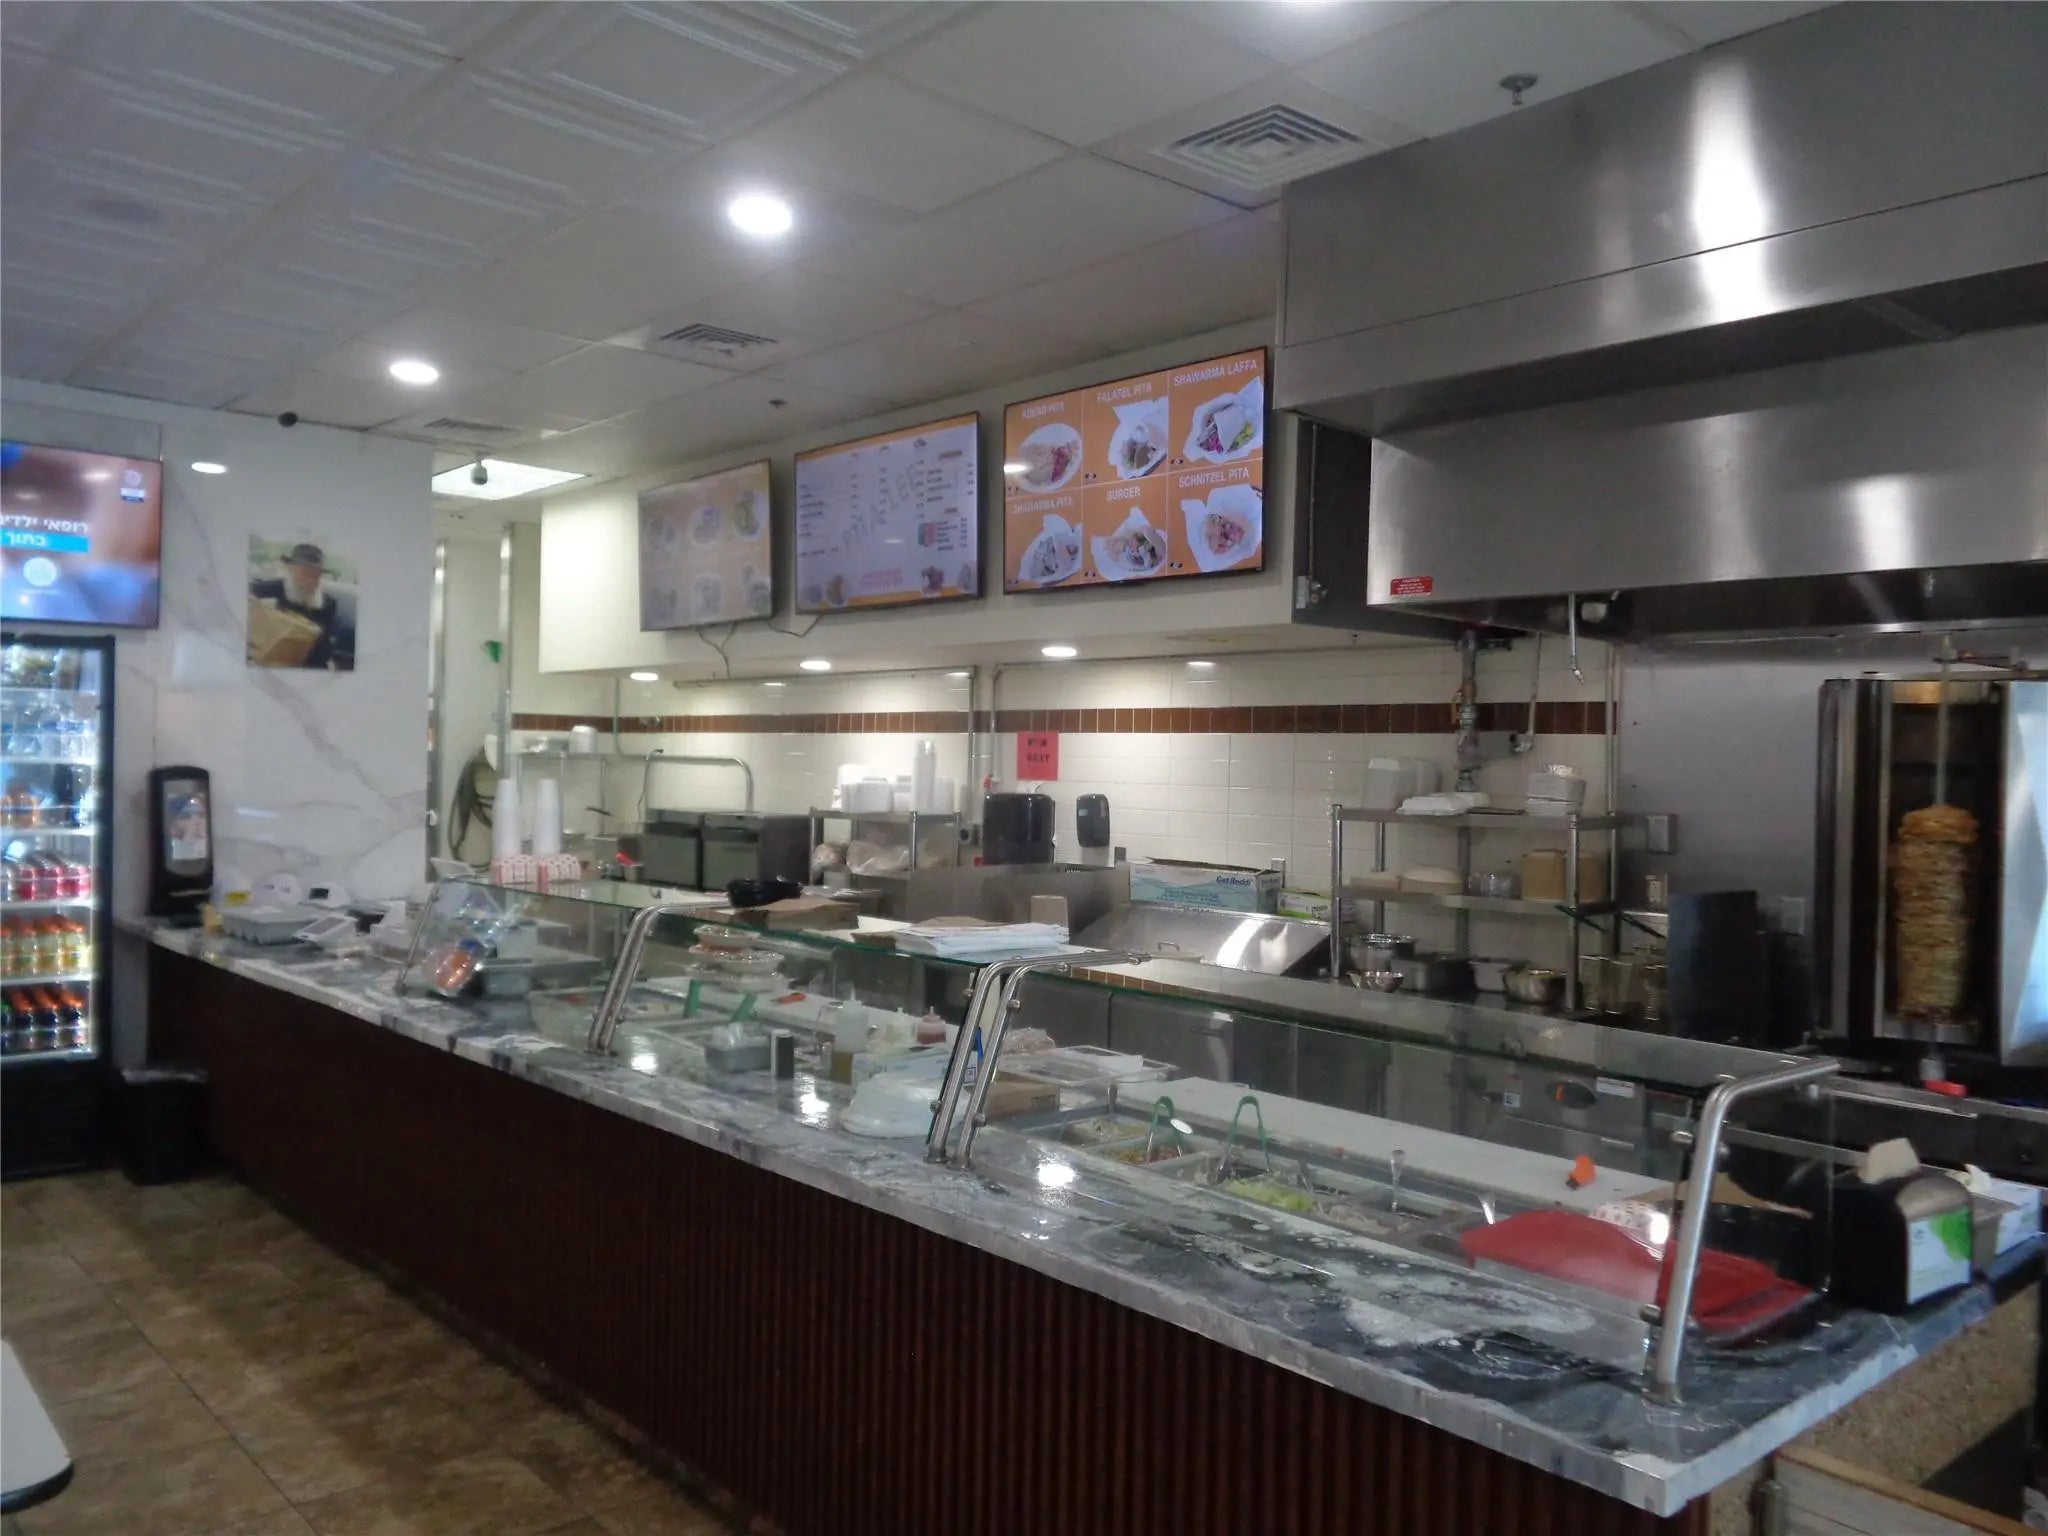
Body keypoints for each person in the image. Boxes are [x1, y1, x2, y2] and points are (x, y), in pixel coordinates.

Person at [249, 542, 354, 670]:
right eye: (305, 573)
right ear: (291, 569)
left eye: (316, 576)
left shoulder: (328, 604)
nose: (311, 581)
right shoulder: (268, 589)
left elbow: (323, 649)